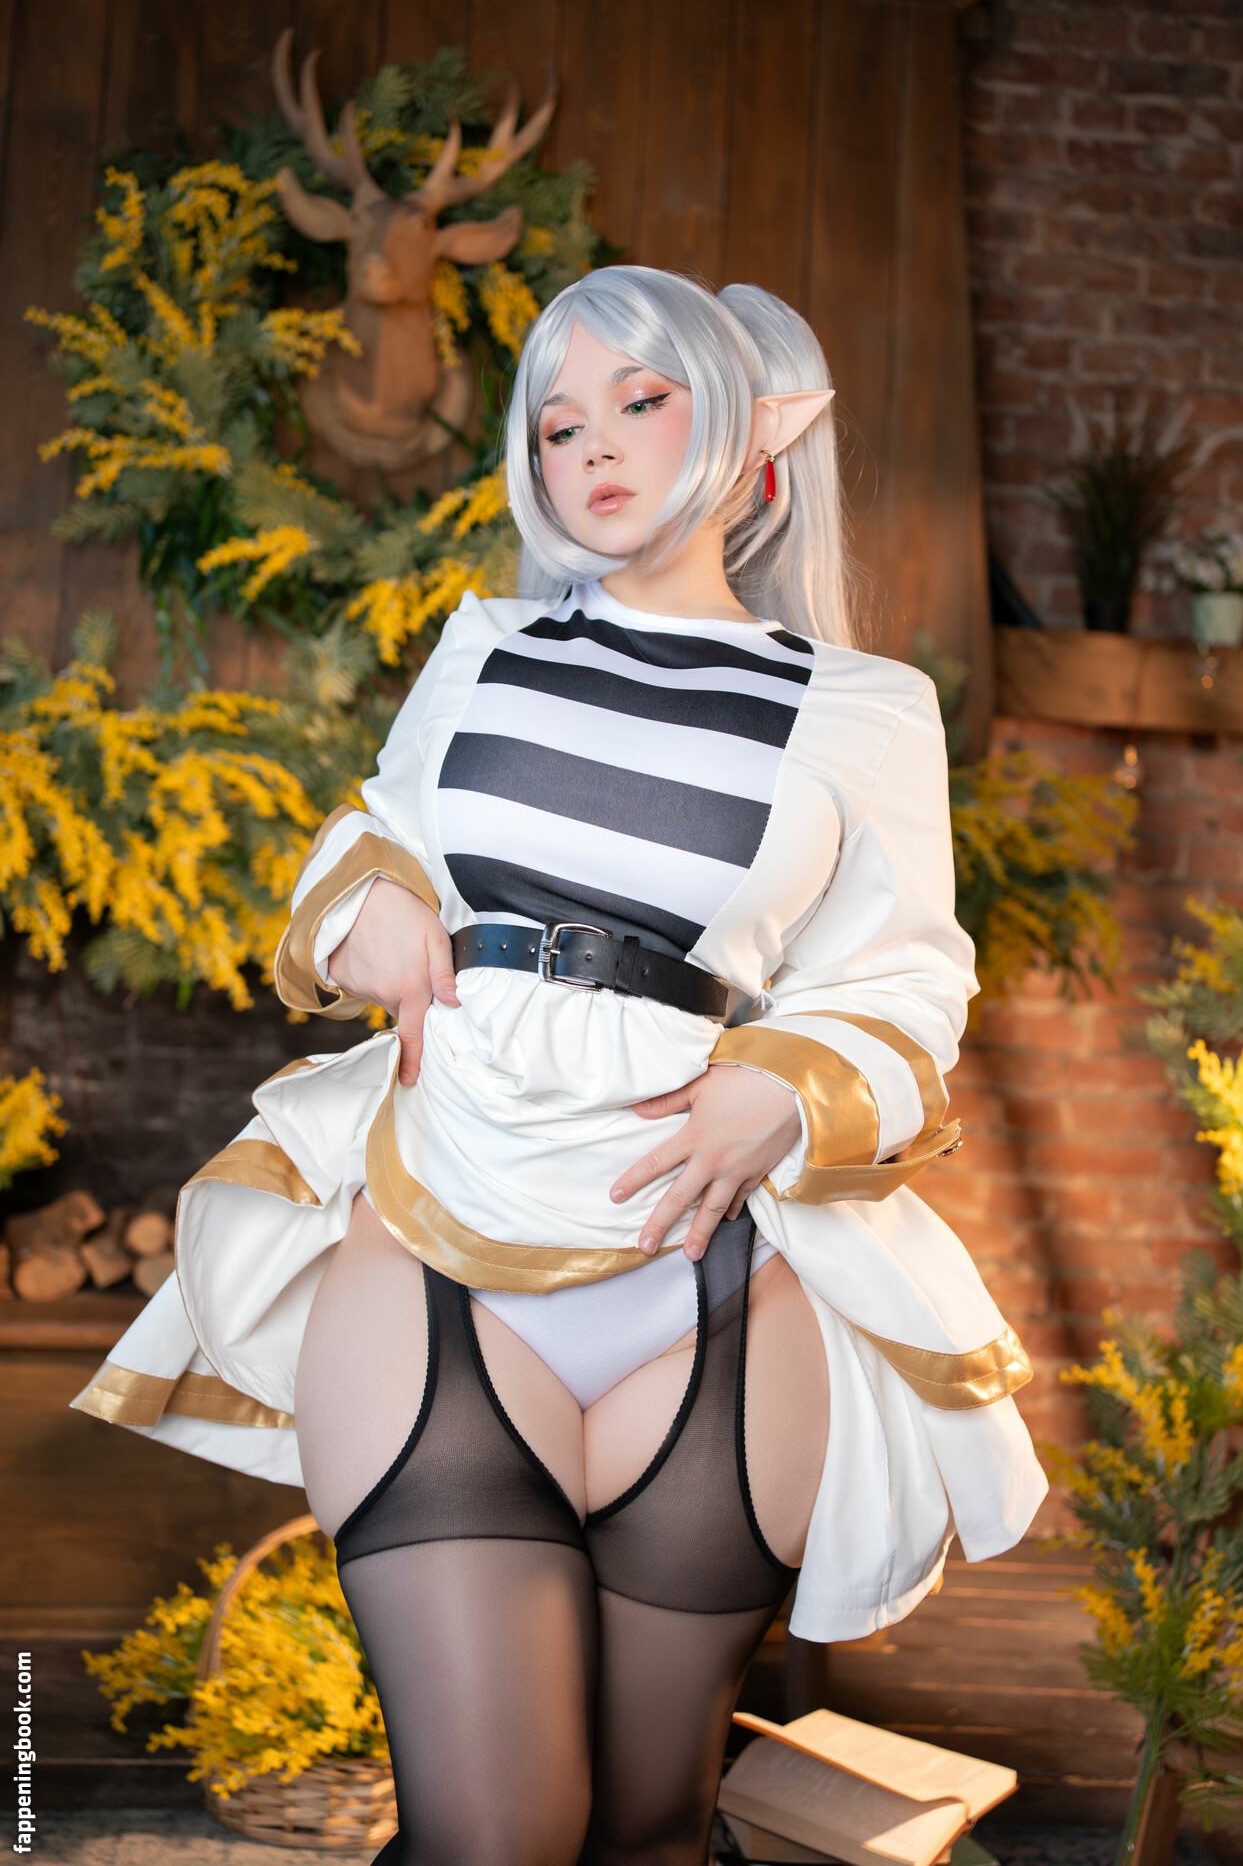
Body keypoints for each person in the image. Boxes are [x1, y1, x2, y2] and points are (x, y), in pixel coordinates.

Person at [75, 265, 1047, 1866]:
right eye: (558, 419)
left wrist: (786, 1088)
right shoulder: (484, 648)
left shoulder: (868, 710)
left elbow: (906, 980)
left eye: (641, 401)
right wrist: (366, 907)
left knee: (649, 1828)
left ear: (753, 436)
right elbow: (377, 833)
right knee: (496, 1836)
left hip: (716, 1294)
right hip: (442, 1246)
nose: (590, 443)